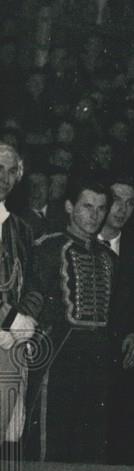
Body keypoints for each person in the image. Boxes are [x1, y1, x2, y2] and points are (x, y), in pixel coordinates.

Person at [25, 180, 129, 462]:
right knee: (51, 440)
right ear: (70, 207)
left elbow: (116, 312)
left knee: (91, 441)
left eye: (100, 208)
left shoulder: (109, 258)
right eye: (87, 206)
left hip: (98, 357)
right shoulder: (47, 248)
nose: (94, 215)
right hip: (58, 354)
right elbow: (32, 299)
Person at [0, 143, 43, 444]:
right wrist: (10, 318)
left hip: (11, 345)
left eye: (11, 170)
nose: (3, 176)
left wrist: (24, 318)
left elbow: (35, 285)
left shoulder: (23, 229)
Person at [99, 180, 134, 463]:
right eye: (117, 200)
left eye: (130, 203)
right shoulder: (81, 240)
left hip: (120, 354)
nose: (122, 209)